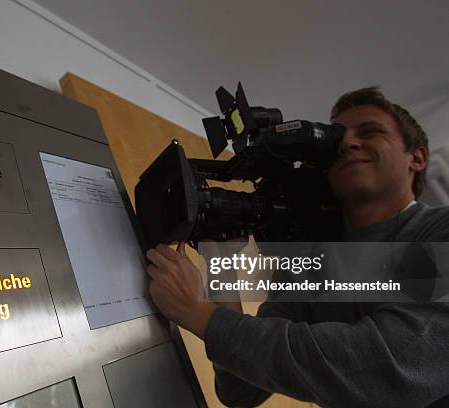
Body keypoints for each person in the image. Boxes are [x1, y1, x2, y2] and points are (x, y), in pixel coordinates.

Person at [145, 87, 449, 407]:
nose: (348, 143)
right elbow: (240, 388)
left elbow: (389, 369)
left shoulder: (439, 230)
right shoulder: (311, 260)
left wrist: (198, 314)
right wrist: (222, 270)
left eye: (371, 132)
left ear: (418, 157)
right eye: (337, 139)